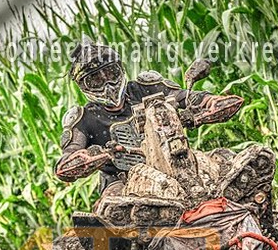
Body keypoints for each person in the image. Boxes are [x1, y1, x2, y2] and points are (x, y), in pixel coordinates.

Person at [54, 39, 245, 199]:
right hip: (122, 180)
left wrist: (209, 101)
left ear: (119, 69)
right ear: (84, 86)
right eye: (96, 79)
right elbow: (70, 153)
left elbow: (181, 95)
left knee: (237, 171)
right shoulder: (84, 119)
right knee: (113, 212)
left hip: (178, 162)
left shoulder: (146, 87)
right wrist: (78, 159)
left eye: (110, 73)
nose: (108, 84)